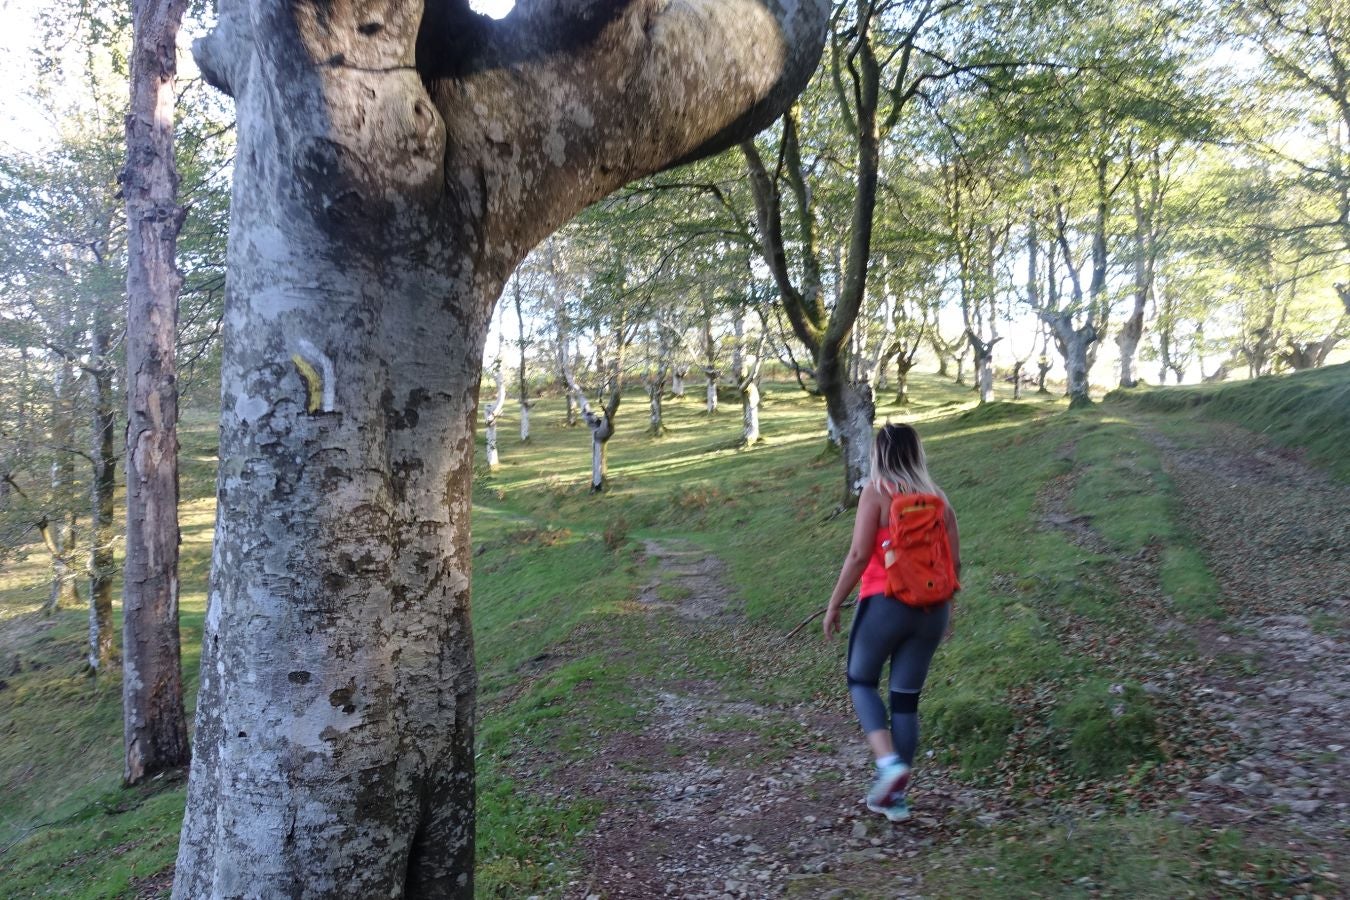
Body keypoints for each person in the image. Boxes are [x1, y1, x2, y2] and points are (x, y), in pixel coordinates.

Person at [822, 423, 960, 822]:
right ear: (917, 454)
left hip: (885, 603)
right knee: (905, 699)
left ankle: (888, 767)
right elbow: (953, 562)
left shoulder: (877, 493)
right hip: (932, 610)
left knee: (861, 680)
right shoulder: (939, 499)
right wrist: (947, 609)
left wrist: (834, 604)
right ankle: (895, 799)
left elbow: (858, 554)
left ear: (879, 455)